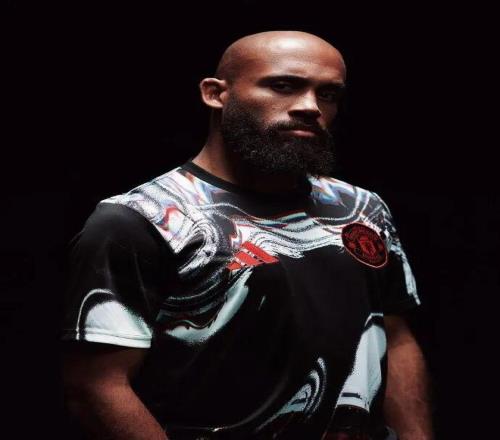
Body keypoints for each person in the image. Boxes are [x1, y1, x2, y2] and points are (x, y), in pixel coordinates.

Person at [60, 30, 434, 440]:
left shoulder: (362, 208)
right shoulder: (140, 220)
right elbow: (97, 386)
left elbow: (393, 335)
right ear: (215, 94)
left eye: (327, 94)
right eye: (283, 85)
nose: (310, 106)